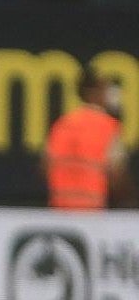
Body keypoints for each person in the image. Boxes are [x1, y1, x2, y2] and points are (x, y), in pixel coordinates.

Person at [44, 69, 138, 210]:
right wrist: (131, 200)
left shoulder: (63, 123)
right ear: (93, 93)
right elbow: (116, 173)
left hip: (60, 207)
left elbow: (45, 164)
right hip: (92, 209)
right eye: (106, 89)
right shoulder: (108, 126)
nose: (111, 94)